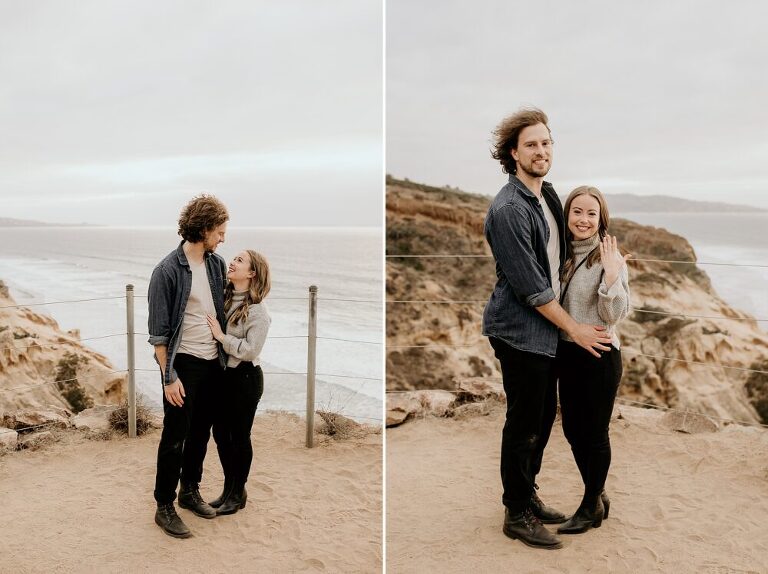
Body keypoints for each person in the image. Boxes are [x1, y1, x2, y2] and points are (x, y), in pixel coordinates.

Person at [483, 108, 613, 550]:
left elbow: (566, 258)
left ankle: (527, 496)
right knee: (523, 424)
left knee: (540, 419)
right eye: (532, 144)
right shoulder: (508, 209)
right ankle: (515, 512)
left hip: (544, 334)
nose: (542, 151)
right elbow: (534, 290)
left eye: (547, 142)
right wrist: (575, 329)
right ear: (513, 153)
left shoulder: (548, 195)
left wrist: (609, 271)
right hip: (520, 331)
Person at [148, 194, 229, 539]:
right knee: (174, 437)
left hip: (214, 363)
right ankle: (164, 505)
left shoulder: (217, 264)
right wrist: (170, 378)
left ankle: (189, 491)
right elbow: (159, 336)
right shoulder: (166, 272)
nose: (223, 238)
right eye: (220, 231)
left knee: (201, 433)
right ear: (205, 228)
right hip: (183, 366)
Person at [556, 186, 630, 535]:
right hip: (568, 354)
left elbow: (613, 314)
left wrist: (613, 276)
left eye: (591, 213)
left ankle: (589, 505)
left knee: (595, 434)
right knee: (572, 430)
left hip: (600, 354)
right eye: (577, 212)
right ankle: (598, 496)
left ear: (601, 218)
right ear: (567, 215)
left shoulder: (608, 256)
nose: (583, 220)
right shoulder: (561, 253)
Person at [205, 249, 271, 516]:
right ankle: (230, 489)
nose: (232, 262)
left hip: (245, 379)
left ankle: (237, 492)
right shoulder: (224, 299)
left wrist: (221, 337)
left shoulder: (258, 312)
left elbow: (250, 350)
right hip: (224, 377)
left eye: (240, 261)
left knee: (239, 437)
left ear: (252, 273)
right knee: (220, 434)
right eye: (233, 258)